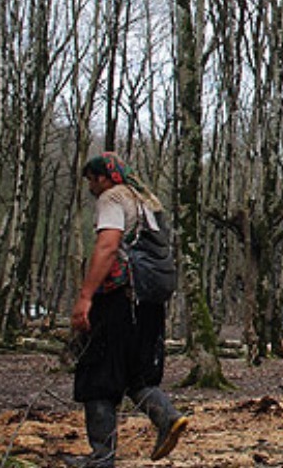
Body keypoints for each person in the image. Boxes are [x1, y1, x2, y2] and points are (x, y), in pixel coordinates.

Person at [67, 152, 188, 467]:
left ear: (104, 177)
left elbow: (108, 245)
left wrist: (85, 297)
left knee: (98, 374)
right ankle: (168, 417)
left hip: (119, 299)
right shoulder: (148, 201)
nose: (91, 187)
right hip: (149, 302)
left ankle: (101, 457)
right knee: (137, 376)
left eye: (92, 180)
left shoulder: (113, 197)